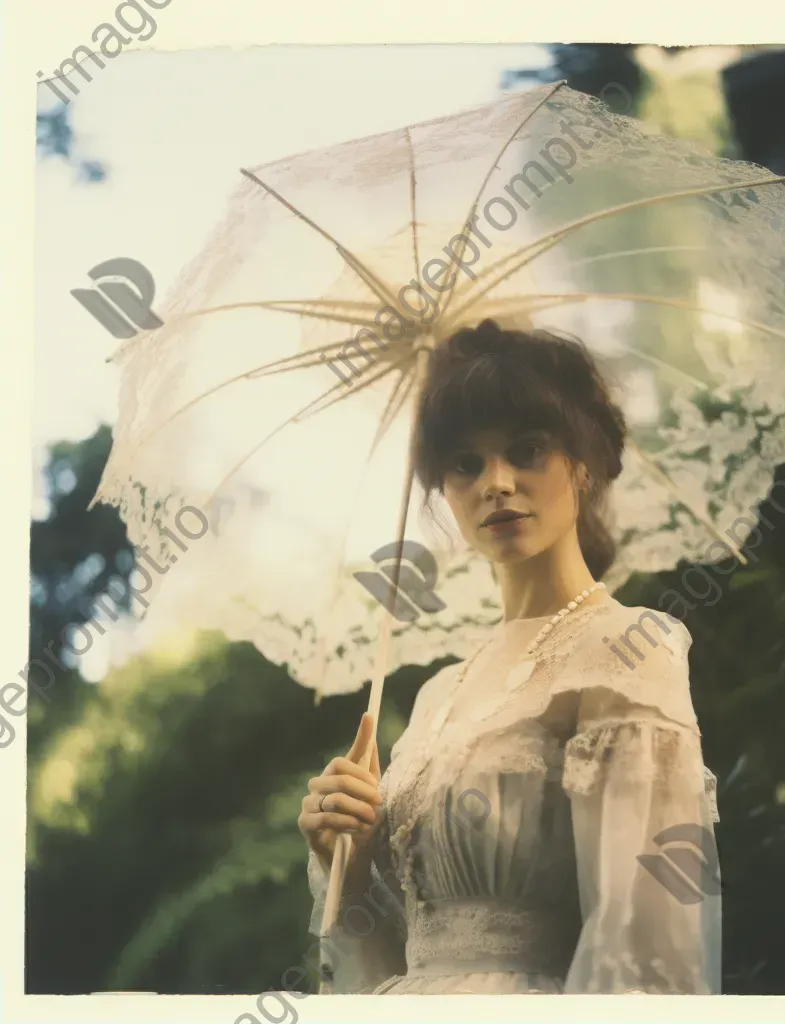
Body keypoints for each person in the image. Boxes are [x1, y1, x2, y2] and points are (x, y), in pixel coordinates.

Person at [297, 318, 721, 995]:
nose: (496, 482)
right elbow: (397, 955)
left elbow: (641, 942)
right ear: (442, 488)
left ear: (581, 466)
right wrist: (347, 859)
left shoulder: (630, 647)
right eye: (465, 463)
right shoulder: (439, 694)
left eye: (526, 451)